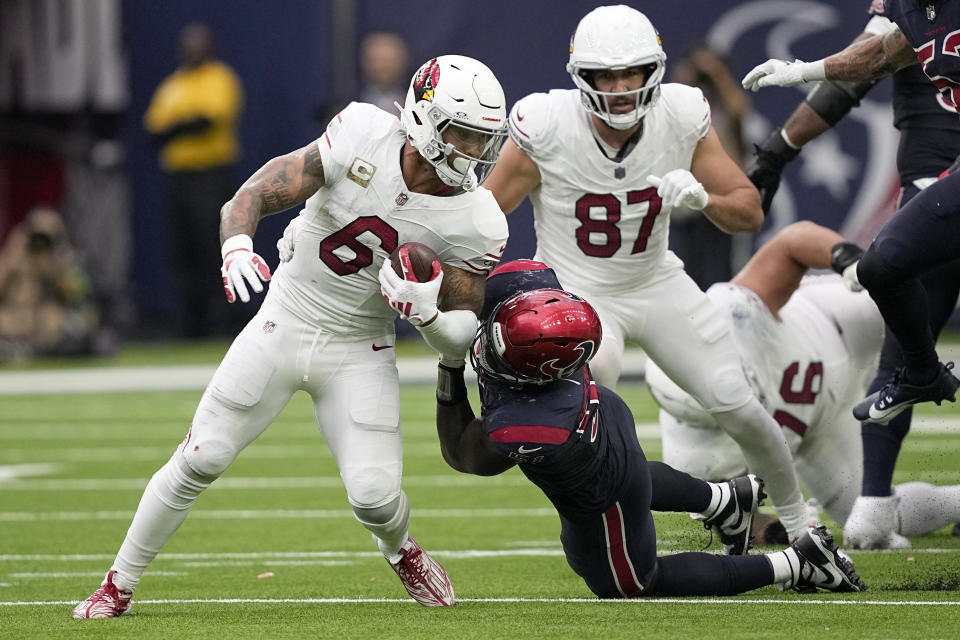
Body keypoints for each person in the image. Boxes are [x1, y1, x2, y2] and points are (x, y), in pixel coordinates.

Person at [72, 54, 510, 618]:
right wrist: (236, 244)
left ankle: (401, 550)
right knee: (202, 455)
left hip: (361, 345)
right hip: (287, 317)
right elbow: (252, 194)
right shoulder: (362, 132)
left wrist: (425, 314)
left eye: (483, 139)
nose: (475, 153)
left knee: (376, 498)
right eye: (464, 136)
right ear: (425, 119)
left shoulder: (478, 219)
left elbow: (459, 344)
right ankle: (118, 583)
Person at [483, 5, 818, 543]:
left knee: (739, 403)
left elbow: (749, 211)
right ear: (582, 78)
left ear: (653, 71)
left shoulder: (680, 114)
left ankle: (804, 526)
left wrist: (703, 197)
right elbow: (484, 216)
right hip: (580, 294)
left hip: (656, 279)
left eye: (630, 72)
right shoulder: (546, 125)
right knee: (598, 409)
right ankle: (607, 528)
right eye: (605, 75)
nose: (619, 87)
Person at [432, 259, 866, 598]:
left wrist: (449, 360)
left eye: (496, 346)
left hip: (595, 483)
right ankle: (727, 500)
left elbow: (463, 454)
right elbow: (471, 280)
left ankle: (800, 562)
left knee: (630, 583)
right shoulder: (527, 290)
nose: (484, 345)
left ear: (533, 373)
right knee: (631, 474)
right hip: (607, 416)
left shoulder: (528, 425)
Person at [744, 4, 960, 549]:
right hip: (939, 175)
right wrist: (804, 72)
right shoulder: (912, 12)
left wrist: (778, 148)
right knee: (885, 268)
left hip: (939, 171)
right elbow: (875, 56)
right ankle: (874, 497)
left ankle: (874, 498)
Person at [645, 221, 960, 548]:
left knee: (922, 287)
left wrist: (854, 262)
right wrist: (783, 530)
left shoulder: (727, 314)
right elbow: (738, 521)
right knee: (868, 521)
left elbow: (794, 242)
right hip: (818, 428)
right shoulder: (691, 460)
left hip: (836, 322)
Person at [143, 23, 244, 337]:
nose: (192, 50)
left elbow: (208, 121)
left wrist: (178, 126)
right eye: (188, 44)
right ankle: (192, 323)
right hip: (180, 178)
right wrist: (184, 125)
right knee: (183, 249)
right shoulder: (174, 84)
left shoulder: (220, 78)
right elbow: (154, 132)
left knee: (212, 245)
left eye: (199, 44)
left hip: (210, 176)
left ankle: (225, 320)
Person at [668, 44, 752, 288]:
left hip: (720, 197)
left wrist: (716, 72)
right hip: (684, 202)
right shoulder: (685, 106)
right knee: (684, 269)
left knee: (720, 271)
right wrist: (690, 74)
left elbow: (739, 107)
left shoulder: (726, 106)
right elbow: (671, 101)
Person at [0, 206, 98, 361]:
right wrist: (11, 261)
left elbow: (81, 296)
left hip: (42, 320)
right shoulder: (16, 255)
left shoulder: (61, 259)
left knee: (57, 320)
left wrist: (56, 269)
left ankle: (28, 349)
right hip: (13, 317)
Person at [358, 32, 411, 114]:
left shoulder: (416, 99)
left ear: (402, 61)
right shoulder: (350, 104)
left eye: (387, 61)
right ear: (365, 62)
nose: (381, 67)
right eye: (376, 61)